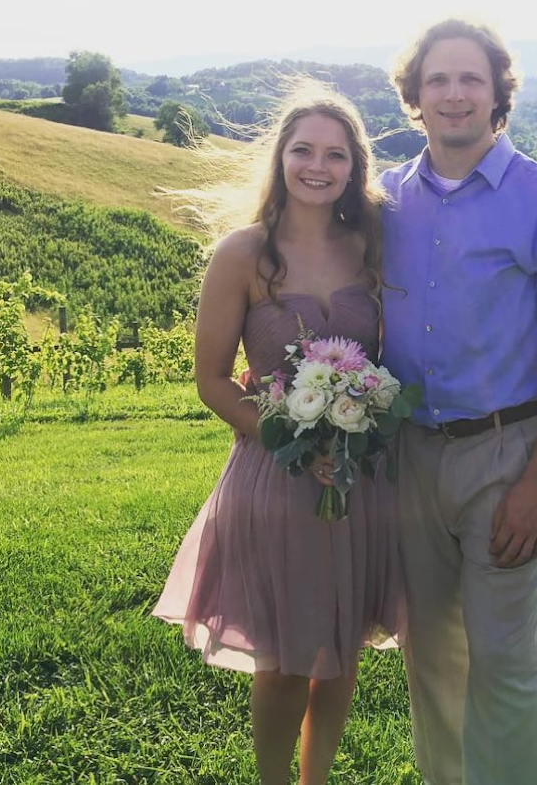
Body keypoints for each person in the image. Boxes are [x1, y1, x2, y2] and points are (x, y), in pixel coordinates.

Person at [379, 19, 537, 785]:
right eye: (438, 79)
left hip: (509, 455)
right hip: (412, 456)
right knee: (433, 658)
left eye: (470, 79)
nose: (454, 94)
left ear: (497, 93)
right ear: (414, 96)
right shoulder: (383, 200)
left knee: (509, 662)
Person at [152, 82, 406, 785]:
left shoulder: (371, 249)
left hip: (360, 480)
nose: (317, 166)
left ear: (355, 167)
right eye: (303, 151)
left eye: (335, 154)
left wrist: (356, 430)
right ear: (280, 158)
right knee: (289, 658)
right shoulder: (243, 254)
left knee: (341, 648)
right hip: (276, 479)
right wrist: (286, 438)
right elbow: (210, 379)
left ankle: (315, 779)